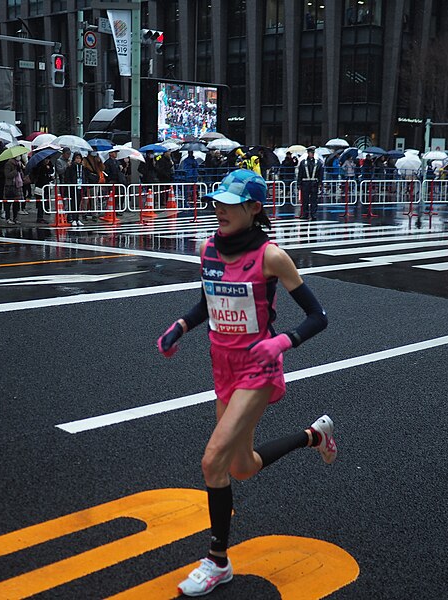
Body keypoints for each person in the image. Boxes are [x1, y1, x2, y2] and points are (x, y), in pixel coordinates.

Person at [156, 169, 334, 597]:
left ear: (254, 209)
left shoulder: (271, 256)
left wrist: (282, 343)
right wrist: (180, 326)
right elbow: (207, 303)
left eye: (229, 204)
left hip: (259, 367)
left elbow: (318, 316)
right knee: (242, 467)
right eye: (217, 202)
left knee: (211, 461)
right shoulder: (208, 250)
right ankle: (315, 436)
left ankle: (218, 562)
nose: (219, 209)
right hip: (223, 368)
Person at [297, 146, 324, 220]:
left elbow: (320, 174)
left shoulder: (318, 163)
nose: (311, 154)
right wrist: (298, 184)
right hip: (305, 183)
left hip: (314, 183)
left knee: (314, 200)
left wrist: (320, 183)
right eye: (310, 153)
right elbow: (300, 174)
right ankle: (305, 214)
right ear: (308, 153)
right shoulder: (303, 162)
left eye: (313, 153)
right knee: (305, 200)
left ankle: (313, 214)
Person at [64, 152, 86, 225]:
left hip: (80, 186)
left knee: (78, 202)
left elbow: (84, 176)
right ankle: (73, 218)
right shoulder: (71, 167)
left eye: (79, 158)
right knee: (73, 203)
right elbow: (67, 177)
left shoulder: (82, 167)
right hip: (73, 187)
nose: (78, 160)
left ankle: (77, 218)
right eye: (77, 158)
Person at [1, 155, 24, 224]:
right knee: (8, 203)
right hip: (10, 185)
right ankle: (8, 218)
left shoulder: (19, 164)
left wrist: (21, 170)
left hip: (18, 185)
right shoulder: (8, 164)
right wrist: (16, 171)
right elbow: (7, 175)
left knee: (16, 203)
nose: (19, 157)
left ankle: (15, 218)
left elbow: (21, 174)